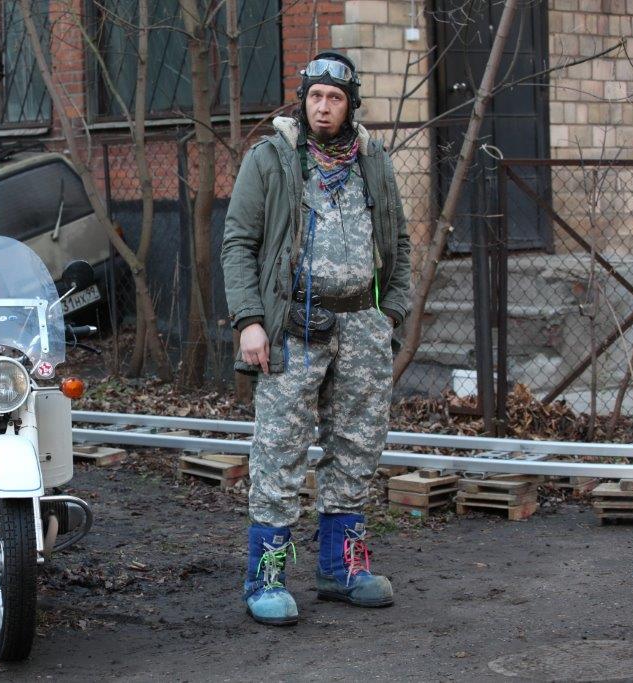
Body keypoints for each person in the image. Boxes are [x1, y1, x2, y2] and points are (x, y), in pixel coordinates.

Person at [221, 51, 412, 626]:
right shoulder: (272, 158)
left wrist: (390, 313)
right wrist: (249, 321)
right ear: (303, 100)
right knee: (279, 447)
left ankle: (341, 569)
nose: (323, 107)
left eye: (335, 98)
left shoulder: (373, 161)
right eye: (315, 97)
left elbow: (400, 242)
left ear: (351, 106)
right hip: (292, 324)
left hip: (363, 326)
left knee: (357, 445)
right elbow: (238, 242)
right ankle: (267, 576)